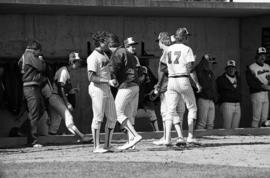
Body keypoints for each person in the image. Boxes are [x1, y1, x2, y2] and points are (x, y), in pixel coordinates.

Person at [160, 27, 202, 145]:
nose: (187, 38)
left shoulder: (168, 49)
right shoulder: (187, 49)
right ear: (183, 37)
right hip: (183, 78)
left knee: (170, 110)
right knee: (192, 108)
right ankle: (190, 136)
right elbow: (190, 68)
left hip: (171, 80)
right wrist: (197, 83)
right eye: (186, 36)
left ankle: (167, 139)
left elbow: (162, 67)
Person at [46, 52, 92, 142]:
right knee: (68, 117)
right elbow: (60, 88)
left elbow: (62, 87)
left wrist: (71, 90)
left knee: (55, 122)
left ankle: (49, 139)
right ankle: (82, 137)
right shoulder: (63, 71)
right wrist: (67, 102)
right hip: (55, 97)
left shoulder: (66, 71)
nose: (79, 64)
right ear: (72, 62)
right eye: (77, 62)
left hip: (55, 97)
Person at [107, 34, 142, 150]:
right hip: (134, 85)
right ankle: (131, 140)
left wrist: (112, 78)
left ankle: (135, 136)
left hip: (127, 85)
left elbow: (114, 68)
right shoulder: (128, 53)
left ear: (109, 45)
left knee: (117, 112)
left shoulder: (118, 52)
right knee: (128, 114)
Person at [152, 32, 186, 146]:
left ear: (162, 41)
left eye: (159, 41)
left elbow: (162, 71)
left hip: (168, 86)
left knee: (168, 112)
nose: (159, 44)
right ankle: (169, 137)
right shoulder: (176, 51)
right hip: (178, 84)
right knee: (172, 112)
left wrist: (158, 84)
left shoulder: (167, 52)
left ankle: (175, 137)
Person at [87, 31, 118, 153]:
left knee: (112, 117)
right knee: (98, 118)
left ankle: (108, 145)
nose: (108, 42)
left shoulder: (105, 54)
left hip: (106, 88)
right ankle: (96, 147)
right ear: (100, 42)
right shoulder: (93, 57)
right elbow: (91, 77)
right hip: (97, 88)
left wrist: (112, 80)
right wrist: (108, 81)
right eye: (106, 40)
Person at [18, 40, 47, 147]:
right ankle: (32, 141)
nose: (40, 53)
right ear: (35, 49)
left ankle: (22, 130)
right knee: (34, 113)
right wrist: (41, 60)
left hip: (32, 87)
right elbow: (41, 67)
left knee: (40, 110)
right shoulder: (29, 55)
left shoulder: (27, 55)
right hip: (30, 87)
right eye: (39, 51)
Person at [246, 47, 270, 128]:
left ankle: (262, 137)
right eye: (261, 55)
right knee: (256, 118)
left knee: (264, 118)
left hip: (266, 94)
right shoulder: (251, 67)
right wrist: (262, 86)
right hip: (256, 94)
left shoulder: (268, 66)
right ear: (257, 56)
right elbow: (250, 82)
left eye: (264, 55)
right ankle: (254, 137)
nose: (263, 57)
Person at [195, 54, 218, 130]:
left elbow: (214, 88)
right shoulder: (201, 71)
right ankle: (199, 139)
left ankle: (209, 140)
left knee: (210, 124)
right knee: (202, 123)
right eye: (209, 62)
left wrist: (215, 98)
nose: (211, 64)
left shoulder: (211, 73)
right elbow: (197, 69)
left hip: (211, 100)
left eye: (212, 63)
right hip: (203, 98)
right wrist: (204, 59)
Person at [216, 60, 241, 129]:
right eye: (229, 68)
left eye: (233, 68)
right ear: (226, 69)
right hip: (227, 104)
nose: (231, 69)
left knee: (235, 127)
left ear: (235, 69)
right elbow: (216, 92)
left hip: (237, 104)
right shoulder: (221, 79)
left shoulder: (238, 78)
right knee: (227, 127)